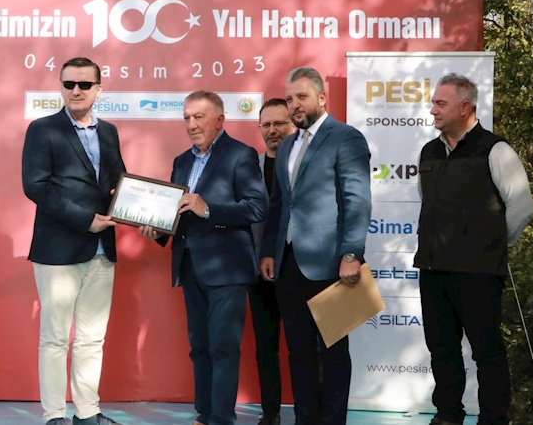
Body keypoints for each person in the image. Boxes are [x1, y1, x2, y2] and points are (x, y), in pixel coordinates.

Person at [139, 90, 267, 425]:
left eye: (199, 117)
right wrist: (157, 230)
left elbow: (256, 207)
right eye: (187, 118)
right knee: (200, 346)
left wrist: (208, 209)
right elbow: (175, 213)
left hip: (227, 269)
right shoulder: (182, 161)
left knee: (223, 347)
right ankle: (205, 413)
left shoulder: (241, 155)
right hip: (190, 266)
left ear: (220, 121)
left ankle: (222, 418)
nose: (192, 124)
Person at [414, 73, 533, 425]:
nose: (432, 110)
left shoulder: (496, 150)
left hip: (478, 273)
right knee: (442, 349)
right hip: (434, 270)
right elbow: (427, 201)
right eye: (433, 103)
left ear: (465, 107)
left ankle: (494, 419)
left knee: (487, 352)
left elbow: (522, 207)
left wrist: (493, 245)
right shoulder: (429, 151)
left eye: (441, 103)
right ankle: (448, 415)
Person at [260, 67, 372, 425]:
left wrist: (351, 254)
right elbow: (279, 202)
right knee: (299, 352)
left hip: (333, 264)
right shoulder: (287, 146)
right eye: (289, 99)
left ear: (322, 98)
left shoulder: (346, 138)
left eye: (301, 97)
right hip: (288, 263)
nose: (294, 104)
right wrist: (268, 250)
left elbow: (357, 200)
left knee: (333, 351)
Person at [21, 57, 126, 425]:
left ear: (99, 89)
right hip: (58, 250)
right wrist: (85, 220)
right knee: (54, 338)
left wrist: (145, 214)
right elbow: (35, 186)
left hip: (102, 251)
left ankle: (88, 412)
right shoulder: (42, 129)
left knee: (92, 338)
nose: (76, 91)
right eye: (69, 84)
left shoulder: (109, 132)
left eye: (84, 84)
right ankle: (54, 415)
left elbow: (120, 183)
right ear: (61, 87)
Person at [249, 98, 297, 425]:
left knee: (302, 345)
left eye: (279, 123)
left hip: (298, 268)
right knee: (265, 346)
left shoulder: (303, 165)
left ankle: (309, 413)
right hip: (258, 271)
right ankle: (270, 413)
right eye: (266, 125)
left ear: (293, 124)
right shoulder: (249, 166)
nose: (272, 130)